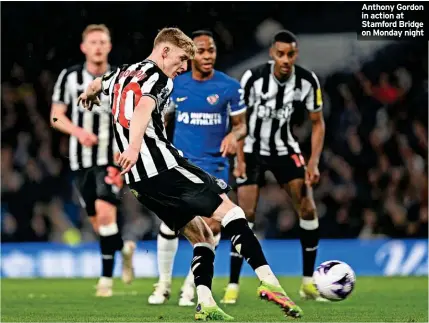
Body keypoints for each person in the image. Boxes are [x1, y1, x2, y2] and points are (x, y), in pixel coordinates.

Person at [78, 27, 303, 320]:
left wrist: (88, 92)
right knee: (233, 214)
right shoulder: (160, 78)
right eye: (182, 58)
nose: (184, 67)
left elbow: (99, 82)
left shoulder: (122, 74)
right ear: (165, 51)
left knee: (203, 235)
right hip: (163, 167)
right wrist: (133, 147)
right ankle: (271, 284)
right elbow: (145, 106)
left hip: (139, 183)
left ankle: (205, 303)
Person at [221, 30, 327, 304]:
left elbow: (317, 122)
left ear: (296, 54)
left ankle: (307, 283)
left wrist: (313, 162)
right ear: (272, 53)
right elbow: (238, 122)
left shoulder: (306, 81)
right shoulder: (253, 78)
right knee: (244, 215)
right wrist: (241, 160)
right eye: (280, 53)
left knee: (307, 206)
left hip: (284, 149)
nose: (285, 59)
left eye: (290, 54)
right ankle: (232, 284)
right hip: (253, 148)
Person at [147, 30, 247, 307]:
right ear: (191, 55)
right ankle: (164, 284)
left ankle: (192, 287)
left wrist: (234, 136)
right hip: (181, 165)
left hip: (215, 166)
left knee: (212, 227)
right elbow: (162, 123)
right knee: (170, 224)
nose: (207, 56)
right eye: (201, 51)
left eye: (211, 50)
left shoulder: (229, 87)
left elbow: (242, 126)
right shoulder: (175, 85)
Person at [50, 24, 135, 297]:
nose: (98, 46)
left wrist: (126, 150)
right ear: (84, 48)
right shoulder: (70, 77)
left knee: (106, 211)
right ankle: (123, 250)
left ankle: (106, 280)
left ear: (109, 46)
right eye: (93, 42)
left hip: (111, 158)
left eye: (102, 41)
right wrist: (78, 132)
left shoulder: (121, 78)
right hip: (80, 161)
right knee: (99, 223)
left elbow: (133, 117)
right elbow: (55, 116)